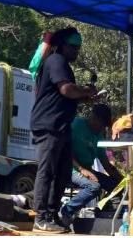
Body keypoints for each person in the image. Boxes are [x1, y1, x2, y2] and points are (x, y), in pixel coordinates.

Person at [29, 27, 102, 234]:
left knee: (61, 173)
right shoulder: (56, 61)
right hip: (49, 125)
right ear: (62, 45)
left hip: (61, 126)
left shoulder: (64, 65)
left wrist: (85, 97)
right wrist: (86, 91)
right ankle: (41, 217)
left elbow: (66, 94)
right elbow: (66, 90)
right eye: (73, 47)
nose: (76, 51)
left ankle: (51, 215)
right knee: (47, 171)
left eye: (79, 48)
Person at [58, 103, 123, 227]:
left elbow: (105, 162)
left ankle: (102, 210)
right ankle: (66, 211)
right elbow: (65, 150)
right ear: (94, 117)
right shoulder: (77, 125)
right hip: (69, 167)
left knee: (117, 186)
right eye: (102, 124)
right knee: (93, 187)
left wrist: (121, 179)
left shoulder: (98, 135)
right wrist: (81, 169)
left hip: (87, 169)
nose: (102, 128)